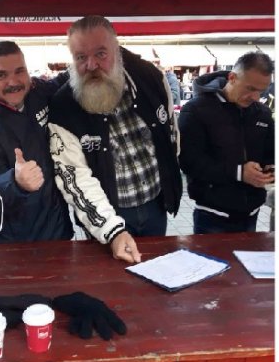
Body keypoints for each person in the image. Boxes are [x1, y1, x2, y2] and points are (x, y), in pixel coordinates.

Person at [48, 15, 182, 263]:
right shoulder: (63, 107)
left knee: (154, 278)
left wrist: (170, 189)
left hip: (156, 205)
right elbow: (74, 177)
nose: (91, 65)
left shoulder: (151, 78)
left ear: (116, 49)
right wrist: (112, 230)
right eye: (80, 57)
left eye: (101, 53)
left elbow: (171, 135)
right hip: (106, 213)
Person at [0, 41, 72, 242]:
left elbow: (62, 82)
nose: (13, 82)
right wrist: (14, 182)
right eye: (1, 75)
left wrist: (89, 58)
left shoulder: (35, 92)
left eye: (19, 71)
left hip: (57, 231)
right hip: (16, 246)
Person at [178, 52, 274, 233]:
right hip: (212, 215)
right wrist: (239, 172)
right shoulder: (196, 110)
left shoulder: (262, 113)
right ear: (232, 77)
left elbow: (270, 153)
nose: (255, 97)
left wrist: (269, 171)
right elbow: (189, 162)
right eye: (250, 88)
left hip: (253, 213)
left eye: (261, 91)